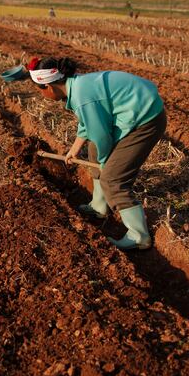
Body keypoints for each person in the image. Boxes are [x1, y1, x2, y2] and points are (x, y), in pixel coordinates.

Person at [27, 56, 166, 250]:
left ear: (48, 87)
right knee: (93, 149)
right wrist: (74, 150)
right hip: (134, 112)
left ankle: (139, 237)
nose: (42, 95)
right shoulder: (77, 86)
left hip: (146, 121)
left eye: (38, 90)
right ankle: (99, 206)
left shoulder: (82, 96)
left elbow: (102, 136)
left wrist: (104, 161)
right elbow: (88, 124)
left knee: (113, 179)